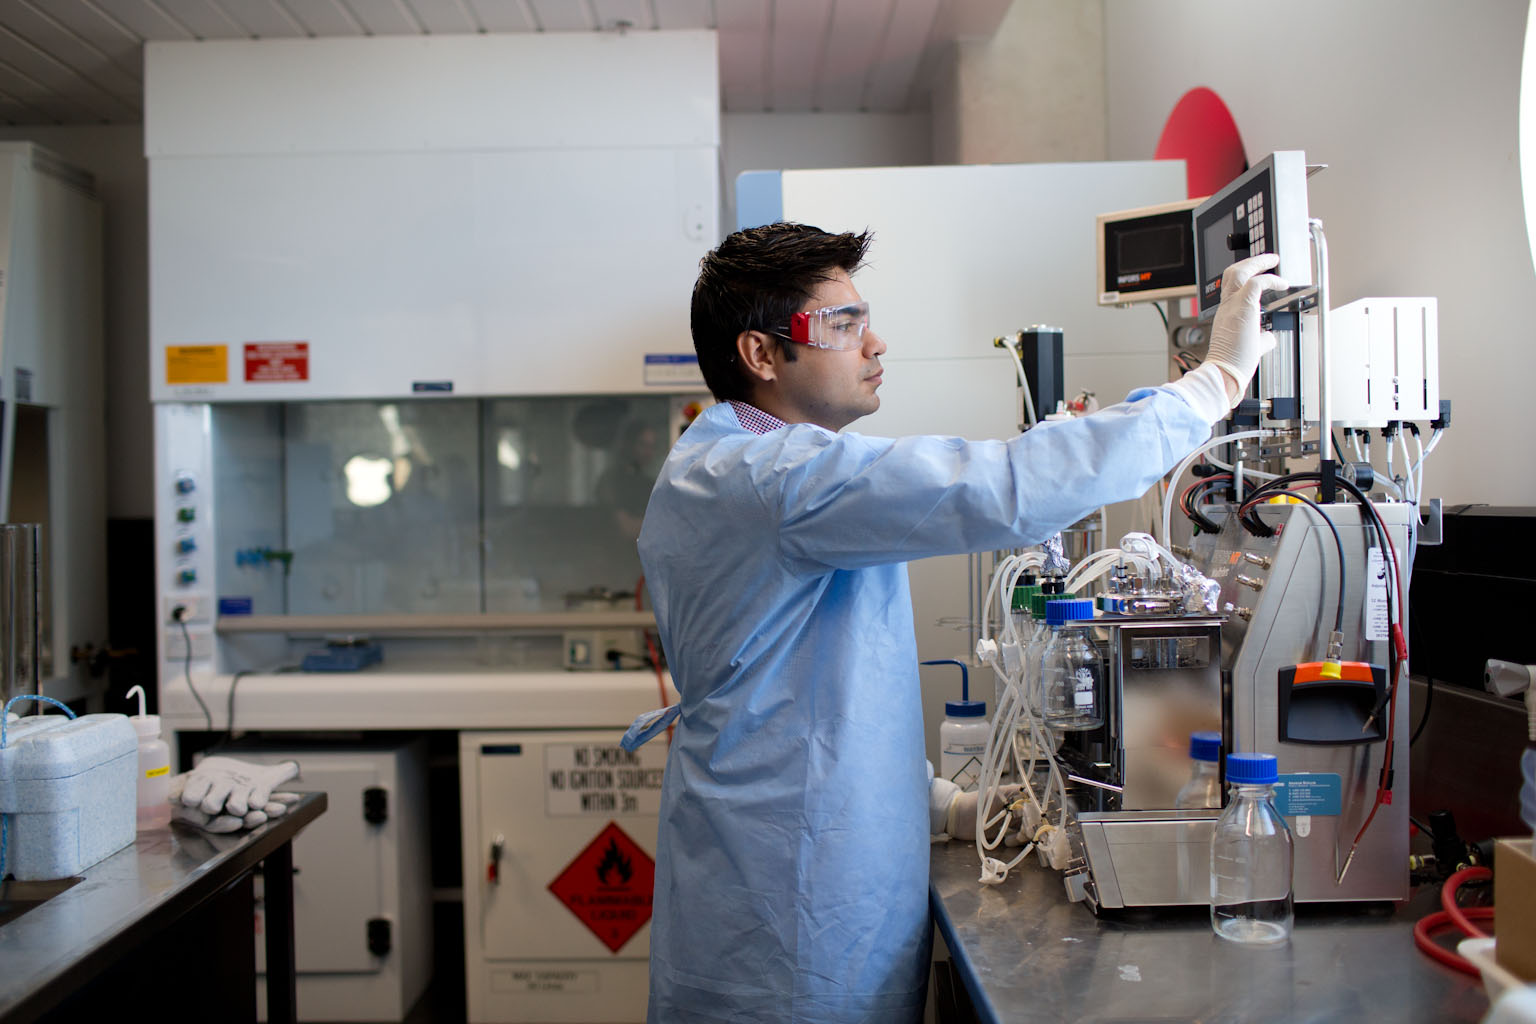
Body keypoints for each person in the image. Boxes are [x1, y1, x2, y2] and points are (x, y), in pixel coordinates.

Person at [620, 222, 1282, 1022]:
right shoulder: (773, 478)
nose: (874, 343)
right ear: (761, 353)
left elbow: (798, 697)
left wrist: (944, 807)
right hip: (786, 916)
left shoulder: (747, 468)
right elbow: (1005, 486)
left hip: (786, 863)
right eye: (843, 324)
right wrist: (1215, 383)